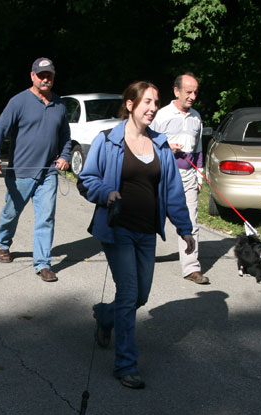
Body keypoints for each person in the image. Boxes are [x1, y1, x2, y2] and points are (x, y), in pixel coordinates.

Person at [78, 81, 194, 389]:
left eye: (155, 102)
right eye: (147, 101)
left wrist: (185, 228)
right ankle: (126, 364)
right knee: (129, 294)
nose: (153, 107)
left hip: (146, 232)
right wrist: (106, 193)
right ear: (130, 104)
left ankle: (105, 315)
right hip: (117, 229)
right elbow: (86, 179)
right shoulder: (108, 141)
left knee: (140, 296)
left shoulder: (160, 144)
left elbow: (172, 191)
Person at [0, 58, 71, 282]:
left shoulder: (60, 105)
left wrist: (64, 156)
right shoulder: (19, 102)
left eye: (49, 75)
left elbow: (65, 137)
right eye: (41, 75)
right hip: (20, 172)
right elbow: (0, 129)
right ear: (32, 76)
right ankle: (3, 243)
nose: (45, 79)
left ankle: (43, 264)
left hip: (48, 172)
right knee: (11, 213)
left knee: (46, 217)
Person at [151, 73, 209, 284]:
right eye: (188, 92)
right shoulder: (161, 115)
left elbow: (199, 150)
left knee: (191, 221)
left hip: (187, 177)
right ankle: (141, 255)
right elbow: (147, 143)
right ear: (176, 91)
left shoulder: (196, 117)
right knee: (150, 217)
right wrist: (167, 148)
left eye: (195, 92)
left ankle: (191, 268)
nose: (192, 96)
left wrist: (200, 176)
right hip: (161, 174)